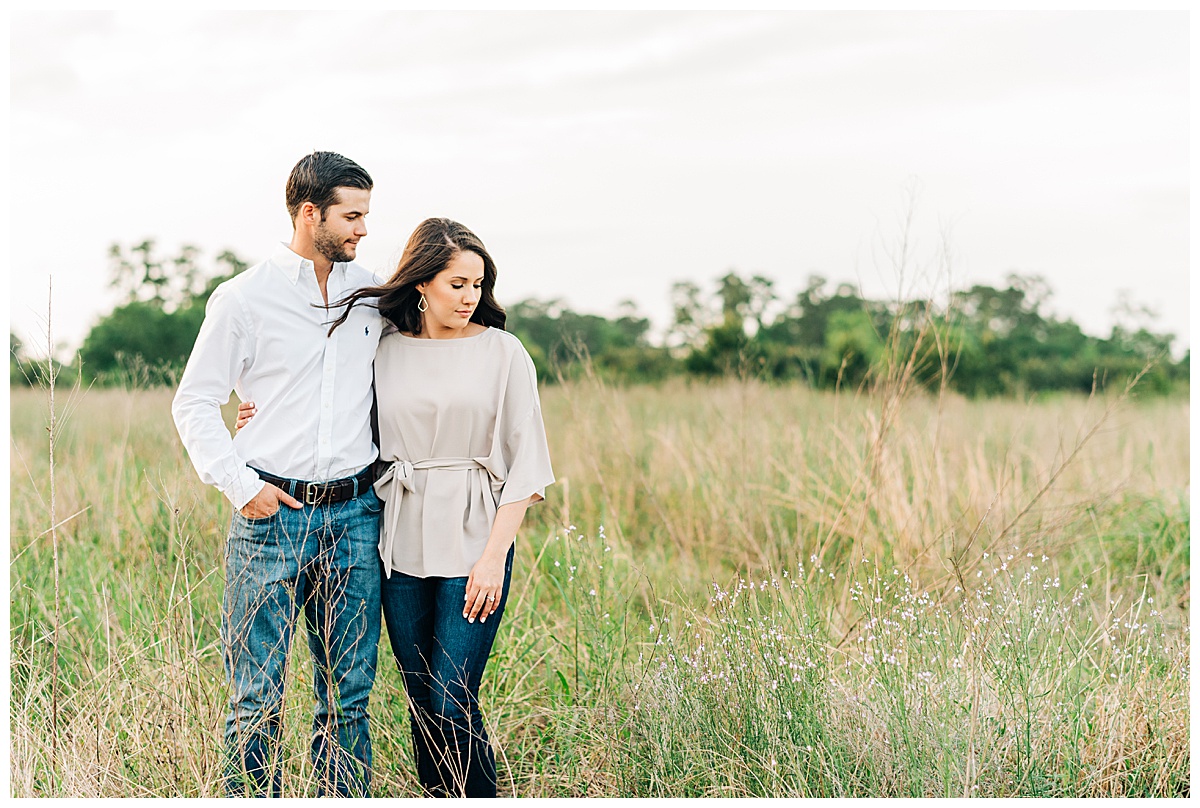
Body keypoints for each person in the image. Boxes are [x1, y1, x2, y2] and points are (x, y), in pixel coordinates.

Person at [238, 217, 554, 797]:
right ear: (422, 284)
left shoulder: (504, 353)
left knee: (451, 698)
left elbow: (527, 468)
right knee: (421, 704)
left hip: (475, 538)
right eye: (457, 283)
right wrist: (259, 420)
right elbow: (327, 402)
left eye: (478, 285)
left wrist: (492, 559)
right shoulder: (382, 345)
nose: (470, 297)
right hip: (399, 538)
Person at [172, 151, 384, 797]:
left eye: (367, 216)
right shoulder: (242, 298)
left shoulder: (373, 294)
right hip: (271, 515)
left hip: (354, 516)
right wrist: (242, 486)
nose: (363, 230)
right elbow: (193, 400)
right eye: (353, 215)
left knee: (347, 698)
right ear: (309, 212)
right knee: (255, 698)